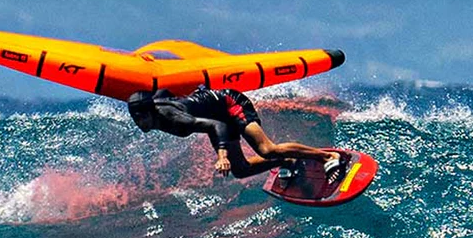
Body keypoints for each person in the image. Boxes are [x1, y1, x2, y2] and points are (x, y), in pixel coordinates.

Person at [127, 86, 343, 181]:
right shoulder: (154, 106)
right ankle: (287, 161)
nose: (139, 123)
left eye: (142, 117)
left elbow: (216, 127)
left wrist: (222, 157)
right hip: (215, 115)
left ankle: (327, 157)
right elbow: (163, 91)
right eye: (135, 118)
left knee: (266, 150)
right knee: (240, 170)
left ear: (151, 112)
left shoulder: (174, 118)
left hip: (230, 103)